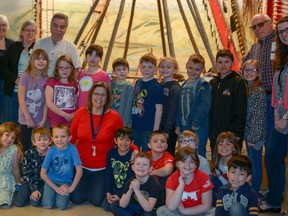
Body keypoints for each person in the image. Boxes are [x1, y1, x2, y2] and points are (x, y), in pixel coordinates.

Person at [70, 81, 124, 207]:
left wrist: (135, 150)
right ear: (91, 95)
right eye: (96, 94)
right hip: (81, 166)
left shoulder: (114, 117)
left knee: (96, 201)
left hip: (102, 167)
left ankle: (95, 187)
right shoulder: (80, 113)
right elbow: (71, 138)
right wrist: (54, 149)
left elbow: (123, 139)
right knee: (76, 198)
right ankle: (87, 185)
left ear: (107, 98)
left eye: (103, 95)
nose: (99, 98)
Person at [259, 16, 288, 213]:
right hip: (281, 118)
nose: (285, 34)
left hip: (285, 120)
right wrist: (278, 116)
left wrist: (285, 118)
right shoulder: (283, 57)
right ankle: (275, 200)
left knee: (273, 156)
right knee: (271, 157)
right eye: (282, 31)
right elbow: (278, 89)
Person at [243, 14, 275, 143]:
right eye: (254, 27)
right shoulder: (255, 47)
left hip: (275, 99)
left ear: (271, 23)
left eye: (261, 24)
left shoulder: (282, 43)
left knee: (274, 141)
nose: (257, 29)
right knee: (257, 138)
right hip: (257, 98)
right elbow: (243, 68)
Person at [209, 49, 247, 154]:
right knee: (217, 165)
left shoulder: (238, 82)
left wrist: (238, 132)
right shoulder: (213, 83)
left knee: (232, 166)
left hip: (232, 134)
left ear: (233, 63)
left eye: (226, 62)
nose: (223, 65)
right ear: (216, 64)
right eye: (220, 62)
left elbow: (241, 109)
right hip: (215, 134)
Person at [156, 147, 214, 216]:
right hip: (179, 212)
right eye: (183, 161)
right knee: (161, 211)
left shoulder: (203, 177)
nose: (187, 164)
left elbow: (206, 206)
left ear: (196, 164)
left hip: (199, 212)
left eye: (192, 161)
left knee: (214, 212)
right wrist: (181, 186)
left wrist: (185, 211)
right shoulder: (172, 179)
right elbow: (171, 207)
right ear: (177, 164)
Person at [0, 20, 37, 124]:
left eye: (33, 31)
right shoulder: (13, 46)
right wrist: (15, 79)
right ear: (22, 32)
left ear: (36, 33)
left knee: (27, 124)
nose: (30, 33)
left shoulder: (38, 49)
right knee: (10, 124)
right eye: (27, 30)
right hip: (12, 92)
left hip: (31, 94)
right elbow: (2, 66)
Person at [175, 54, 211, 158]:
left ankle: (201, 174)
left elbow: (205, 105)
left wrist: (197, 122)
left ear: (202, 70)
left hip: (198, 126)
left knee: (198, 154)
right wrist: (177, 124)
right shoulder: (184, 84)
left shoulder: (203, 85)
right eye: (191, 68)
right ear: (186, 66)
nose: (193, 71)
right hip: (184, 125)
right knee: (185, 154)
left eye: (197, 69)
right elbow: (179, 106)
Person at [40, 124, 82, 210]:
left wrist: (70, 189)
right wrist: (55, 188)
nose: (59, 139)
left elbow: (79, 171)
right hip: (51, 181)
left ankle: (62, 196)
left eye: (63, 136)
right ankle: (49, 192)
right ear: (52, 139)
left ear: (69, 138)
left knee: (61, 206)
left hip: (65, 182)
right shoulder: (51, 151)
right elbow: (43, 174)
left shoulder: (73, 149)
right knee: (47, 205)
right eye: (56, 137)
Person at [242, 59, 267, 193]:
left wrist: (253, 137)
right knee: (252, 163)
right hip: (249, 132)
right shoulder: (247, 88)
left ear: (258, 73)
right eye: (247, 70)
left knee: (255, 165)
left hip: (255, 135)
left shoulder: (259, 90)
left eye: (253, 70)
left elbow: (258, 116)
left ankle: (255, 193)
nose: (249, 73)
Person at [18, 49, 48, 152]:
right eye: (38, 58)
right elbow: (21, 99)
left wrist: (43, 120)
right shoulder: (25, 76)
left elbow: (45, 102)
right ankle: (24, 168)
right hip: (25, 119)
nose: (41, 61)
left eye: (44, 59)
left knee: (39, 148)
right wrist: (28, 118)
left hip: (39, 120)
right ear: (32, 60)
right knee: (25, 146)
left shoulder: (46, 79)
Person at [33, 13, 81, 77]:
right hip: (39, 85)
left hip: (61, 86)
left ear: (66, 28)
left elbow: (76, 70)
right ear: (50, 25)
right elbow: (31, 65)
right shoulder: (39, 44)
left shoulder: (72, 48)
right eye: (55, 25)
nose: (58, 29)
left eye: (62, 27)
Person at [132, 53, 163, 152]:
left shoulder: (156, 86)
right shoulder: (138, 82)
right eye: (144, 67)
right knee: (133, 152)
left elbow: (159, 109)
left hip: (148, 128)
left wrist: (155, 131)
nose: (146, 69)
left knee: (147, 154)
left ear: (155, 69)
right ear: (140, 67)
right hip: (135, 126)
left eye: (150, 67)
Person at [13, 127, 51, 207]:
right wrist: (34, 189)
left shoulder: (52, 154)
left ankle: (31, 195)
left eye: (45, 139)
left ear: (50, 141)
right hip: (29, 181)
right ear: (34, 142)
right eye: (39, 139)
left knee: (35, 203)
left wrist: (38, 189)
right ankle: (17, 190)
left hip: (43, 183)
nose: (42, 142)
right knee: (18, 203)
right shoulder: (28, 153)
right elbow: (26, 173)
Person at [102, 126, 135, 212]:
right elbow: (108, 174)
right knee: (105, 205)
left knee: (114, 206)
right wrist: (108, 192)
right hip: (114, 188)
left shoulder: (132, 157)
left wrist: (120, 195)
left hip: (127, 190)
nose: (124, 142)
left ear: (132, 142)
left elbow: (130, 179)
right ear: (115, 140)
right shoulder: (111, 153)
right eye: (121, 139)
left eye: (127, 140)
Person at [159, 57, 183, 156]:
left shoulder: (174, 88)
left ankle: (170, 171)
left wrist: (167, 130)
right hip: (160, 125)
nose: (164, 69)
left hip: (169, 128)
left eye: (168, 67)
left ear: (175, 70)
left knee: (168, 153)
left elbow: (173, 110)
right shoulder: (161, 85)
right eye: (162, 67)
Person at [45, 55, 78, 128]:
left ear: (72, 68)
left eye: (67, 68)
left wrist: (74, 115)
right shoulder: (52, 82)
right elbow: (49, 103)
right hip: (56, 122)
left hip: (70, 122)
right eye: (61, 68)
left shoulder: (73, 84)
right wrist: (65, 115)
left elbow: (76, 103)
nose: (64, 70)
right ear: (57, 68)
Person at [210, 131, 240, 207]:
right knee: (209, 179)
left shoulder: (239, 165)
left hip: (237, 197)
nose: (224, 147)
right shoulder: (217, 164)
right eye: (221, 144)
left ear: (234, 148)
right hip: (223, 196)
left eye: (228, 144)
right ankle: (216, 207)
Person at [78, 44, 110, 108]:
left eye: (96, 56)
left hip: (95, 111)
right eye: (90, 55)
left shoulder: (104, 76)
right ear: (86, 57)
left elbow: (107, 96)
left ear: (100, 58)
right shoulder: (80, 73)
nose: (92, 58)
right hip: (80, 110)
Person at [0, 122, 22, 208]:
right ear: (0, 135)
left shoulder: (14, 149)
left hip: (6, 179)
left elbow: (15, 169)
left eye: (13, 137)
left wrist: (18, 182)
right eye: (7, 135)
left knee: (4, 201)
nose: (9, 139)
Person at [111, 57, 134, 126]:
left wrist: (124, 124)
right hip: (112, 121)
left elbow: (128, 108)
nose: (122, 71)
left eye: (124, 69)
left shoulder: (130, 87)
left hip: (123, 123)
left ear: (128, 70)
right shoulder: (112, 84)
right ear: (113, 72)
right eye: (118, 69)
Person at [0, 14, 14, 124]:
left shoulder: (12, 44)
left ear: (7, 27)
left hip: (8, 86)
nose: (2, 28)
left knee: (7, 117)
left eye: (4, 25)